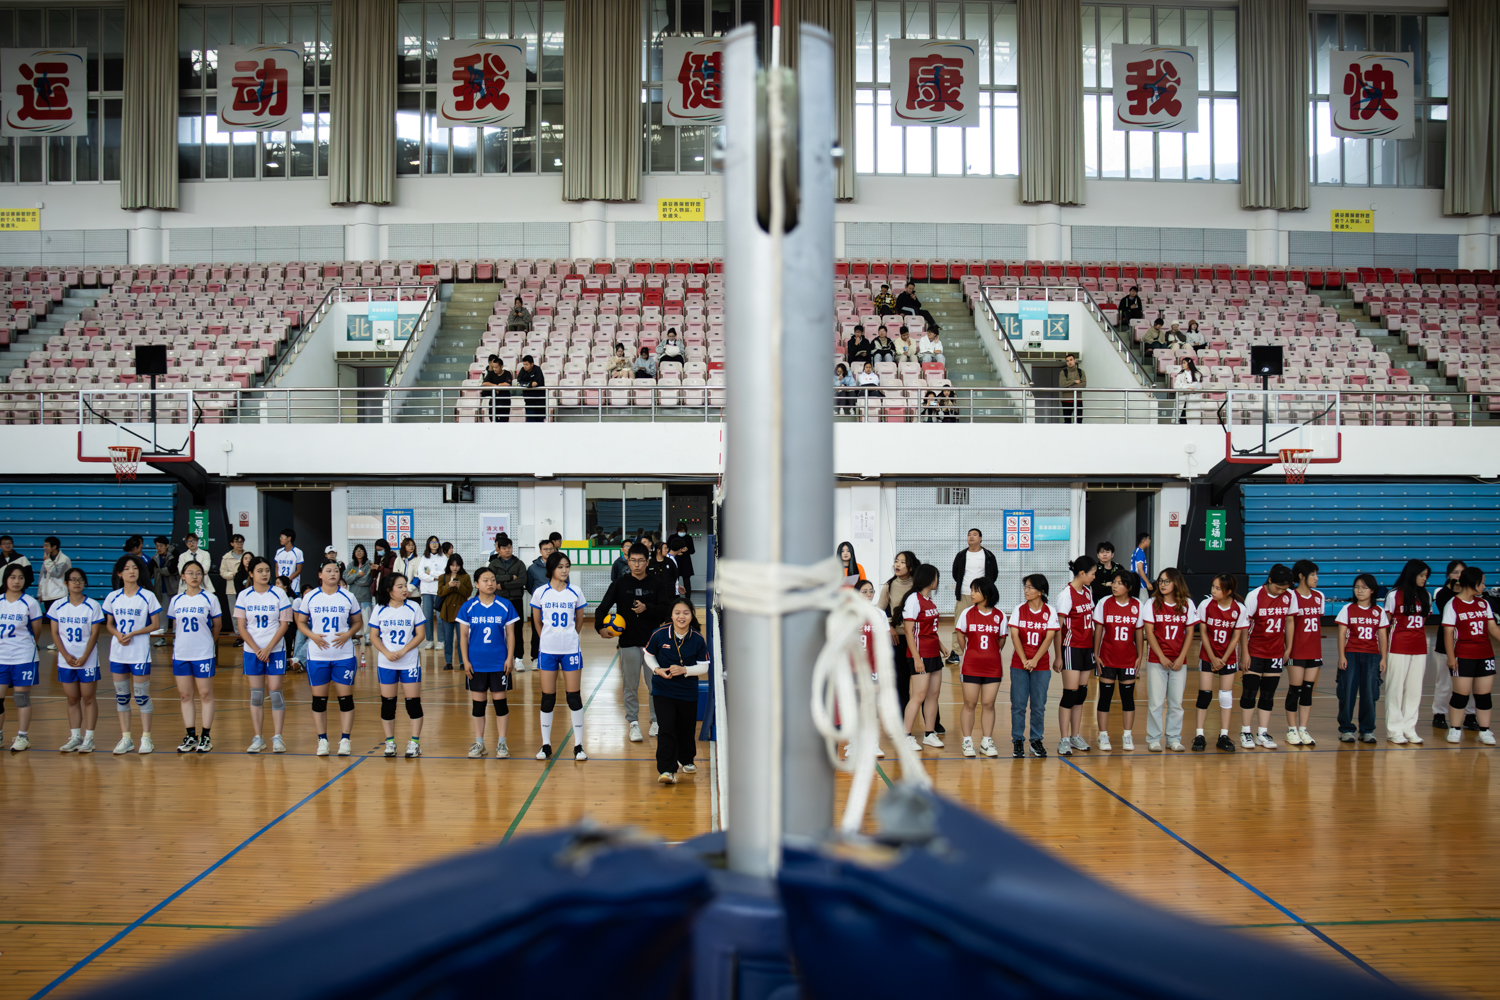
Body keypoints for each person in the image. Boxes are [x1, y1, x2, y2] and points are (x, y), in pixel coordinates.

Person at [597, 542, 670, 742]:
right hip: (628, 642)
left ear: (647, 562)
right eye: (633, 561)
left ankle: (655, 720)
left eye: (641, 561)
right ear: (627, 561)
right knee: (630, 685)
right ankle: (633, 723)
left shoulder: (657, 584)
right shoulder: (620, 584)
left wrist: (648, 608)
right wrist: (600, 628)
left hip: (652, 644)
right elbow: (601, 609)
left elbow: (666, 609)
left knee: (655, 683)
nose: (636, 565)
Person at [298, 560, 362, 757]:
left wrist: (348, 634)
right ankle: (322, 740)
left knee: (345, 699)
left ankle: (345, 739)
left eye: (336, 570)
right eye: (328, 570)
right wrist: (312, 636)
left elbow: (358, 622)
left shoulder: (348, 596)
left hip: (343, 655)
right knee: (319, 700)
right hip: (317, 656)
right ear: (320, 574)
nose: (333, 573)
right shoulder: (310, 597)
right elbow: (300, 621)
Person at [646, 597, 711, 784]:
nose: (681, 616)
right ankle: (667, 770)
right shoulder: (659, 634)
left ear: (691, 615)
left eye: (685, 613)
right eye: (677, 613)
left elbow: (704, 666)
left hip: (687, 691)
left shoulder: (697, 638)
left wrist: (685, 670)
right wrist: (657, 669)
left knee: (686, 728)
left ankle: (687, 759)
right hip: (662, 689)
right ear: (671, 615)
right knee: (666, 728)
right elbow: (649, 655)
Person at [101, 555, 162, 754]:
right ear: (119, 573)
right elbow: (109, 625)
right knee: (122, 697)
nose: (131, 571)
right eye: (126, 568)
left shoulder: (148, 596)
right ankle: (126, 738)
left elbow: (155, 624)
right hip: (118, 653)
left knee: (142, 696)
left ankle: (147, 738)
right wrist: (118, 634)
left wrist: (134, 633)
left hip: (139, 653)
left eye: (134, 568)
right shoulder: (113, 597)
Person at [532, 550, 589, 761]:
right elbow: (537, 621)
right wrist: (545, 639)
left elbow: (580, 620)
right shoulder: (540, 593)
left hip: (571, 650)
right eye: (560, 567)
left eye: (567, 566)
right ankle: (545, 745)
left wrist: (571, 637)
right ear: (551, 569)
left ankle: (579, 746)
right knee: (548, 699)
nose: (564, 570)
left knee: (573, 697)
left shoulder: (575, 592)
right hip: (547, 650)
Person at [458, 567, 519, 758]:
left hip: (499, 664)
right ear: (476, 584)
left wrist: (510, 658)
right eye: (485, 580)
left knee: (501, 705)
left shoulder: (505, 605)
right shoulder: (468, 607)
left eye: (492, 579)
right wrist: (465, 661)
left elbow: (511, 635)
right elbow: (462, 637)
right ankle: (479, 743)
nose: (490, 583)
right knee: (478, 706)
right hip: (476, 664)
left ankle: (502, 744)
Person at [235, 556, 292, 754]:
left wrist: (268, 648)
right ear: (251, 573)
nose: (264, 574)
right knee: (257, 695)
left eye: (267, 570)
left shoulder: (279, 594)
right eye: (259, 570)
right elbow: (241, 627)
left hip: (275, 650)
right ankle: (258, 737)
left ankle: (278, 737)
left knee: (275, 692)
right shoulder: (244, 595)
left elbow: (284, 624)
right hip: (252, 651)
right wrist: (257, 649)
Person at [369, 572, 427, 758]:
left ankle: (415, 743)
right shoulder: (379, 608)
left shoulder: (414, 607)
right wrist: (386, 653)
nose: (405, 589)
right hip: (386, 663)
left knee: (413, 704)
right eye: (400, 586)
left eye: (405, 585)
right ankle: (390, 742)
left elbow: (420, 635)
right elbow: (373, 636)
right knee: (388, 704)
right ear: (389, 590)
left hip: (409, 661)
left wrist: (403, 651)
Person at [166, 561, 222, 754]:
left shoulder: (210, 598)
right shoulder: (176, 600)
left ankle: (206, 736)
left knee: (205, 694)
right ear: (183, 576)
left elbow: (218, 625)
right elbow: (175, 627)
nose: (194, 576)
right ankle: (191, 735)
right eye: (190, 573)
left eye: (198, 573)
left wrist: (208, 643)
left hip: (203, 653)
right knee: (185, 695)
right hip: (181, 653)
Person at [1240, 564, 1298, 749]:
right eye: (1278, 588)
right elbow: (1244, 626)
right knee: (1249, 691)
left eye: (1285, 589)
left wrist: (1288, 648)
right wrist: (1245, 652)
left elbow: (1289, 620)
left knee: (1268, 694)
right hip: (1255, 650)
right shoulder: (1255, 595)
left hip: (1275, 652)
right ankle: (1245, 731)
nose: (1282, 592)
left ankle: (1262, 733)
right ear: (1270, 580)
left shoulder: (1289, 596)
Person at [1440, 566, 1499, 745]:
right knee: (1461, 694)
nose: (1484, 586)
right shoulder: (1453, 604)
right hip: (1463, 655)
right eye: (1481, 582)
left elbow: (1492, 628)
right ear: (1473, 583)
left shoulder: (1483, 603)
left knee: (1484, 695)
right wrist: (1451, 658)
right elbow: (1448, 633)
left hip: (1485, 654)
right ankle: (1455, 729)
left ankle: (1485, 730)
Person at [1141, 567, 1197, 753]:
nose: (1162, 584)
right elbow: (1149, 632)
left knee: (1176, 703)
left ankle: (1173, 738)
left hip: (1179, 661)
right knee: (1156, 702)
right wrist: (1162, 656)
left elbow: (1190, 633)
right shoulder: (1152, 603)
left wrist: (1181, 657)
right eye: (1160, 581)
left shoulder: (1187, 604)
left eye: (1167, 581)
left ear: (1176, 583)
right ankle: (1154, 738)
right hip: (1157, 660)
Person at [49, 566, 104, 753]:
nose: (77, 582)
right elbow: (54, 633)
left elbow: (95, 634)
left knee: (88, 698)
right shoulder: (57, 606)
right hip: (66, 660)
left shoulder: (93, 606)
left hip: (87, 659)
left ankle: (89, 738)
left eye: (80, 579)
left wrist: (85, 656)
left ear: (84, 583)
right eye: (73, 579)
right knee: (72, 698)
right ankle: (75, 736)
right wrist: (64, 655)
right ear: (66, 583)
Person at [1008, 572, 1061, 760]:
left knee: (1038, 706)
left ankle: (1036, 739)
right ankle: (1017, 740)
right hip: (1019, 664)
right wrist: (1024, 660)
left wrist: (1035, 660)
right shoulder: (1018, 610)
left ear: (1040, 591)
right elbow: (1014, 636)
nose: (1026, 590)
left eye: (1030, 587)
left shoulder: (1050, 611)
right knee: (1018, 705)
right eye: (1025, 587)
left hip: (1041, 665)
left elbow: (1049, 638)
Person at [1193, 574, 1249, 752]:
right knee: (1205, 695)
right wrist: (1212, 657)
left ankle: (1223, 735)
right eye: (1213, 587)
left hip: (1228, 657)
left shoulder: (1239, 609)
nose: (1213, 591)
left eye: (1218, 588)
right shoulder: (1206, 605)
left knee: (1226, 696)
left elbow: (1236, 636)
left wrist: (1224, 659)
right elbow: (1202, 632)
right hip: (1207, 655)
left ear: (1229, 591)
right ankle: (1199, 734)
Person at [954, 578, 1006, 759]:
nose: (971, 594)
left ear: (986, 593)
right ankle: (967, 741)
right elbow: (961, 635)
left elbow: (1001, 640)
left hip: (993, 667)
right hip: (970, 666)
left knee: (989, 704)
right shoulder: (967, 613)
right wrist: (970, 651)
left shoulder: (1000, 615)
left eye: (975, 590)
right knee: (969, 704)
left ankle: (986, 741)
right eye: (971, 590)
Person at [1335, 574, 1390, 744]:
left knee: (1369, 694)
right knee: (1347, 692)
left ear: (1372, 590)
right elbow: (1342, 634)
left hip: (1372, 656)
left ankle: (1367, 730)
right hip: (1351, 654)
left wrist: (1383, 658)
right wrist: (1342, 656)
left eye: (1364, 587)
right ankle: (1346, 729)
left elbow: (1382, 636)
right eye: (1357, 587)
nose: (1360, 590)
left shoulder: (1378, 611)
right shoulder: (1347, 609)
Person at [1092, 568, 1143, 751]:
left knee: (1127, 698)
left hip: (1128, 659)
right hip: (1107, 657)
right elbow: (1098, 629)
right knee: (1104, 697)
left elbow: (1139, 632)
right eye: (1114, 582)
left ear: (1129, 587)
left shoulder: (1137, 604)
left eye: (1120, 583)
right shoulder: (1104, 603)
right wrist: (1096, 654)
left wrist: (1140, 656)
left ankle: (1127, 736)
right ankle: (1103, 735)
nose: (1115, 586)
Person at [1384, 559, 1433, 745]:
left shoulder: (1426, 595)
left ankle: (1409, 728)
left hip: (1419, 648)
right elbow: (1386, 624)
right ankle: (1394, 730)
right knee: (1395, 688)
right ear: (1412, 574)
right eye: (1421, 575)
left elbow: (1423, 622)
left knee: (1414, 689)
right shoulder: (1394, 595)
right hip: (1397, 646)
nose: (1424, 579)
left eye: (1426, 576)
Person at [1053, 555, 1097, 755]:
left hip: (1086, 648)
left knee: (1080, 695)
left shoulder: (1087, 591)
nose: (1094, 577)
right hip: (1071, 648)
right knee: (1069, 695)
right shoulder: (1066, 595)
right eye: (1092, 574)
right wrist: (1059, 656)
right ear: (1082, 573)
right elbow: (1057, 629)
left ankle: (1075, 736)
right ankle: (1063, 739)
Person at [901, 564, 948, 751]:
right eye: (936, 577)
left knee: (933, 695)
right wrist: (917, 658)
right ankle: (906, 736)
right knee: (918, 696)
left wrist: (942, 646)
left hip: (933, 653)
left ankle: (929, 734)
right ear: (929, 579)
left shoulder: (929, 600)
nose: (938, 581)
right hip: (919, 654)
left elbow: (931, 630)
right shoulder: (914, 599)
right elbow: (908, 630)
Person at [1279, 559, 1325, 747]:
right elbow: (1287, 625)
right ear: (1301, 576)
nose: (1316, 578)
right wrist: (1287, 649)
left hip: (1314, 650)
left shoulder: (1319, 596)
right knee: (1294, 691)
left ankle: (1303, 729)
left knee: (1307, 691)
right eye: (1313, 574)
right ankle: (1292, 730)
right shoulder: (1290, 596)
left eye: (1316, 574)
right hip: (1296, 651)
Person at [0, 562, 44, 752]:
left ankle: (22, 736)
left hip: (23, 656)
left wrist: (28, 645)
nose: (16, 581)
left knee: (21, 697)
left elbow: (37, 631)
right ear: (6, 579)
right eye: (12, 577)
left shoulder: (30, 602)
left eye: (20, 577)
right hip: (1, 657)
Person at [1433, 560, 1474, 729]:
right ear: (1448, 575)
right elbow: (1446, 607)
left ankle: (1471, 715)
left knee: (1470, 682)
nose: (1459, 576)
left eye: (1462, 573)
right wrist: (1454, 587)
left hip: (1467, 644)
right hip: (1445, 644)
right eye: (1455, 572)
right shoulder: (1442, 593)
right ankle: (1439, 714)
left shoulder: (1471, 593)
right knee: (1444, 682)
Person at [877, 551, 920, 715]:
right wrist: (890, 627)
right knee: (900, 680)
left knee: (921, 681)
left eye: (902, 562)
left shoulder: (918, 585)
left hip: (916, 638)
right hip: (898, 639)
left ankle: (933, 724)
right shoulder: (889, 585)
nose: (897, 565)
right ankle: (901, 715)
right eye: (896, 561)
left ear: (910, 566)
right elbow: (879, 610)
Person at [950, 528, 998, 662]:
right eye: (969, 535)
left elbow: (993, 574)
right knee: (959, 623)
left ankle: (983, 650)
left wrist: (983, 590)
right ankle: (956, 652)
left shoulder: (988, 555)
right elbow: (955, 574)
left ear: (981, 538)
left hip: (983, 596)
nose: (971, 537)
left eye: (975, 535)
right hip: (964, 593)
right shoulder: (961, 555)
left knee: (983, 624)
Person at [437, 554, 472, 670]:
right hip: (446, 612)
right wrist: (449, 585)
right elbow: (440, 592)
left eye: (457, 565)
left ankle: (463, 661)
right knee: (448, 639)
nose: (455, 568)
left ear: (460, 565)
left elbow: (468, 593)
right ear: (449, 565)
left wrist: (459, 586)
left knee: (462, 638)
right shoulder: (443, 577)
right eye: (452, 565)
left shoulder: (465, 577)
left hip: (461, 611)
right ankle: (448, 662)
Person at [525, 538, 557, 667]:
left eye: (550, 549)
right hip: (539, 606)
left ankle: (555, 657)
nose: (548, 551)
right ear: (540, 551)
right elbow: (529, 585)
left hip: (556, 605)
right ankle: (535, 658)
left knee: (555, 631)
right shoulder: (533, 568)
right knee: (537, 631)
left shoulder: (558, 565)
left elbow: (566, 583)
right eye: (546, 549)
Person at [38, 537, 70, 647]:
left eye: (47, 545)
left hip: (60, 594)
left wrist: (47, 561)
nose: (44, 547)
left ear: (54, 547)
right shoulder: (47, 558)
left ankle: (63, 642)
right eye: (44, 545)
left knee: (61, 620)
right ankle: (57, 642)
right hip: (48, 595)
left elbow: (57, 573)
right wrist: (40, 593)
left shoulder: (64, 559)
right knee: (52, 621)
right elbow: (42, 577)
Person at [416, 535, 444, 650]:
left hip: (439, 591)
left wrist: (430, 572)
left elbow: (444, 574)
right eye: (432, 542)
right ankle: (430, 640)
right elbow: (420, 574)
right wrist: (434, 577)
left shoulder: (443, 557)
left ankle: (441, 640)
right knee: (427, 616)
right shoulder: (424, 558)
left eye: (436, 542)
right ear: (428, 544)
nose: (434, 544)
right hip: (426, 590)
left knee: (440, 617)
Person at [148, 535, 177, 644]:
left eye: (161, 546)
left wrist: (159, 570)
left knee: (175, 614)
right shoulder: (156, 557)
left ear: (167, 546)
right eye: (157, 546)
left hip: (174, 589)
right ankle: (162, 638)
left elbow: (172, 570)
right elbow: (148, 571)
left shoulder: (174, 555)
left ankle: (176, 637)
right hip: (161, 589)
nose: (159, 548)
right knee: (162, 615)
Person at [344, 544, 374, 646]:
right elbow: (346, 579)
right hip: (354, 597)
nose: (359, 552)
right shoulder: (351, 565)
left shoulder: (369, 565)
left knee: (367, 618)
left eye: (361, 550)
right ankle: (356, 637)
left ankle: (368, 638)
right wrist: (357, 575)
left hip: (365, 596)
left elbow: (367, 581)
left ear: (365, 552)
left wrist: (353, 578)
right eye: (357, 550)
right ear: (354, 553)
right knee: (354, 619)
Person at [481, 355, 513, 422]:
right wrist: (494, 386)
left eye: (496, 367)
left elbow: (508, 384)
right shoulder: (491, 373)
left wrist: (499, 386)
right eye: (493, 367)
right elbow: (484, 383)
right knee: (492, 419)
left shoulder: (507, 373)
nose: (495, 369)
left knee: (504, 421)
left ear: (501, 366)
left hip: (504, 401)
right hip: (494, 401)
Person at [668, 521, 696, 598]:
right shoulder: (672, 537)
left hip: (685, 562)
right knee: (673, 579)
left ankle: (688, 599)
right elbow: (668, 549)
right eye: (680, 531)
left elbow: (692, 551)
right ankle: (674, 596)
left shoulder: (688, 538)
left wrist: (687, 549)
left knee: (687, 582)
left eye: (683, 531)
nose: (682, 532)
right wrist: (676, 552)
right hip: (675, 560)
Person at [220, 533, 247, 608]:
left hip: (245, 587)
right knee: (234, 612)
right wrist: (234, 575)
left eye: (241, 542)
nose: (240, 544)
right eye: (237, 542)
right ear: (232, 543)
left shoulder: (247, 556)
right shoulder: (226, 557)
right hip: (231, 588)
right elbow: (223, 573)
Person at [516, 355, 546, 422]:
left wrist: (526, 383)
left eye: (526, 364)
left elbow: (536, 383)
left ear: (532, 364)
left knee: (539, 421)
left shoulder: (537, 369)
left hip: (539, 400)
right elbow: (519, 382)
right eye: (523, 364)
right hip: (529, 400)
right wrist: (530, 384)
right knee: (530, 420)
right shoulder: (522, 370)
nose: (525, 366)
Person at [1059, 354, 1086, 424]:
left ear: (1075, 360)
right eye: (1067, 361)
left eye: (1071, 360)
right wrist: (1074, 381)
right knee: (1067, 421)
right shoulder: (1063, 372)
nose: (1069, 362)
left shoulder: (1081, 372)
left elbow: (1083, 385)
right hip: (1066, 401)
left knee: (1079, 420)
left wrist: (1070, 387)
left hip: (1078, 400)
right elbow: (1062, 385)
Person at [1172, 357, 1200, 425]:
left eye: (1184, 363)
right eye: (1182, 363)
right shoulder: (1180, 375)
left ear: (1189, 363)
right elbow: (1176, 386)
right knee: (1181, 421)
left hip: (1192, 401)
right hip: (1182, 400)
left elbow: (1195, 386)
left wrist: (1182, 386)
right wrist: (1188, 388)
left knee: (1192, 422)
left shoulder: (1197, 374)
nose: (1182, 365)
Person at [1130, 533, 1153, 597]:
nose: (1149, 542)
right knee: (1143, 603)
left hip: (1136, 582)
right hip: (1141, 584)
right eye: (1148, 540)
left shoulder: (1136, 551)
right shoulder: (1140, 552)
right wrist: (1147, 582)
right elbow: (1140, 569)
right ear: (1143, 541)